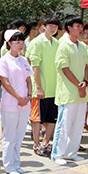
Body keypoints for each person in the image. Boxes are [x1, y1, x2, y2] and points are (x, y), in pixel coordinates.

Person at [51, 17, 88, 165]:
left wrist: (85, 82)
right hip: (67, 93)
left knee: (78, 125)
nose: (80, 29)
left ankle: (71, 152)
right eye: (77, 26)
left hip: (81, 93)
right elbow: (64, 68)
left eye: (81, 26)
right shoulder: (63, 46)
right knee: (64, 125)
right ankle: (58, 154)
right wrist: (78, 85)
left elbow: (86, 66)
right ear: (69, 28)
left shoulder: (82, 46)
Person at [0, 30, 32, 174]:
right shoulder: (3, 61)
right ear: (9, 43)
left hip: (24, 103)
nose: (20, 45)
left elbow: (28, 80)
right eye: (17, 42)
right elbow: (5, 83)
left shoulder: (24, 60)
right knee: (9, 136)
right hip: (11, 103)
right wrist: (18, 97)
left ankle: (16, 163)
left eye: (22, 42)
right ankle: (8, 165)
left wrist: (28, 95)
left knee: (19, 135)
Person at [27, 15, 60, 157]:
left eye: (55, 26)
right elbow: (34, 65)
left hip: (54, 88)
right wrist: (38, 87)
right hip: (40, 89)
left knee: (51, 118)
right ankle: (36, 144)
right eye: (50, 26)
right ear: (43, 27)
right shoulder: (37, 42)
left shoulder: (57, 43)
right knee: (37, 118)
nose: (53, 28)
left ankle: (45, 144)